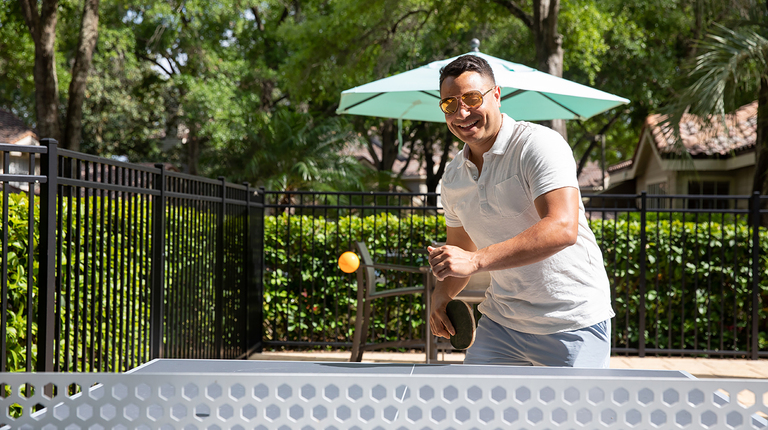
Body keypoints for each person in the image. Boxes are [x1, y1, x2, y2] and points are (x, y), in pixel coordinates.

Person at [428, 54, 615, 367]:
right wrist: (441, 294)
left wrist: (475, 261)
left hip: (571, 320)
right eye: (449, 103)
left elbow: (561, 227)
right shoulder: (453, 177)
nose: (461, 112)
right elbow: (461, 247)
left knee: (572, 418)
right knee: (473, 412)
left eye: (472, 98)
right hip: (502, 323)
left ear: (497, 95)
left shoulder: (539, 146)